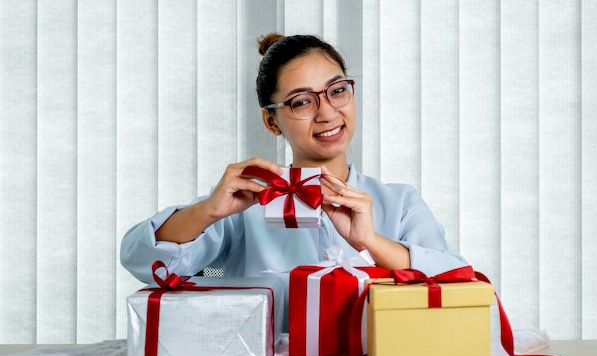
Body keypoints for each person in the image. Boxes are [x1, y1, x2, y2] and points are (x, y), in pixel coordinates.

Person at [120, 33, 468, 320]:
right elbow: (144, 261)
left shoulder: (400, 201)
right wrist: (208, 210)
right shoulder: (246, 205)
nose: (328, 113)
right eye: (302, 102)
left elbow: (457, 280)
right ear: (271, 121)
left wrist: (370, 242)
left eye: (337, 90)